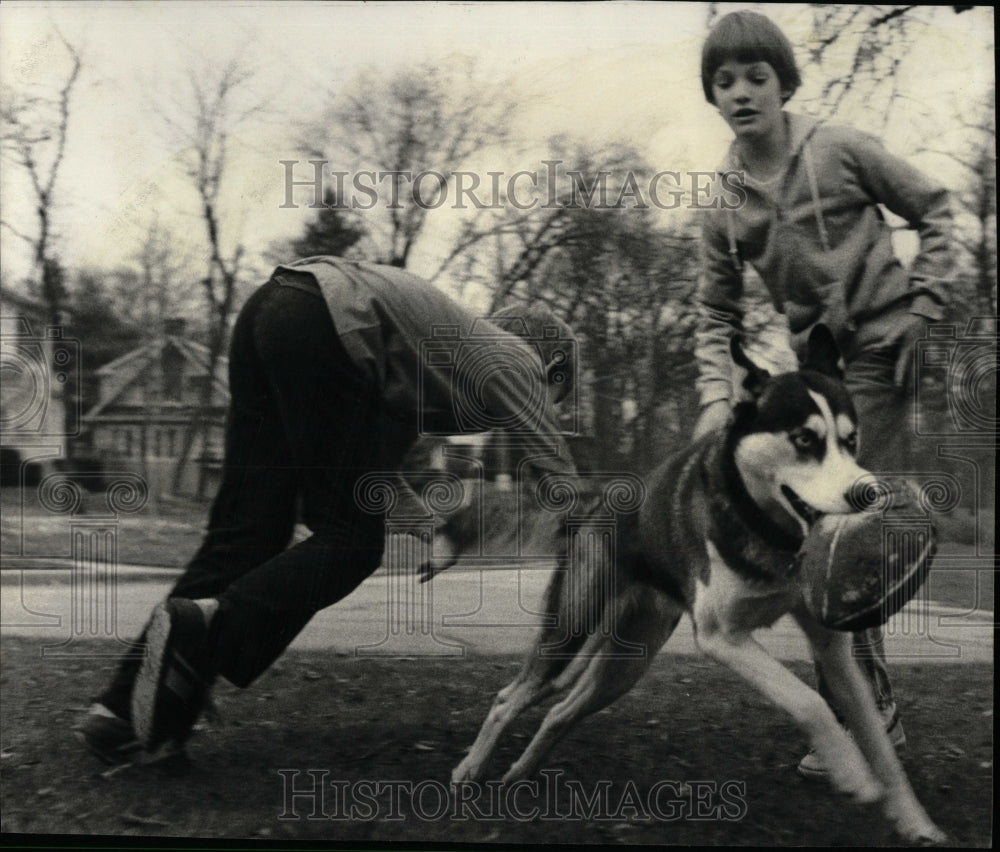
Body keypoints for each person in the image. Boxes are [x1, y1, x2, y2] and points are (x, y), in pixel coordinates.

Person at [78, 256, 578, 762]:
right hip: (326, 319)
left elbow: (375, 472)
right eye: (556, 396)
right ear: (552, 368)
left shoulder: (431, 362)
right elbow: (552, 461)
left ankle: (119, 713)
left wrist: (435, 528)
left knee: (250, 533)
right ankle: (204, 640)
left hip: (271, 312)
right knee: (351, 544)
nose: (544, 404)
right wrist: (598, 535)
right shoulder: (517, 358)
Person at [692, 11, 952, 778]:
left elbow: (933, 206)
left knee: (842, 528)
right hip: (822, 368)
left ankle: (869, 711)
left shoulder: (837, 150)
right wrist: (716, 395)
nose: (741, 92)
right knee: (831, 527)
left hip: (884, 344)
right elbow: (714, 312)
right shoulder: (723, 201)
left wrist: (926, 305)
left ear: (784, 84)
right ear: (713, 95)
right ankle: (865, 698)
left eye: (756, 76)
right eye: (724, 80)